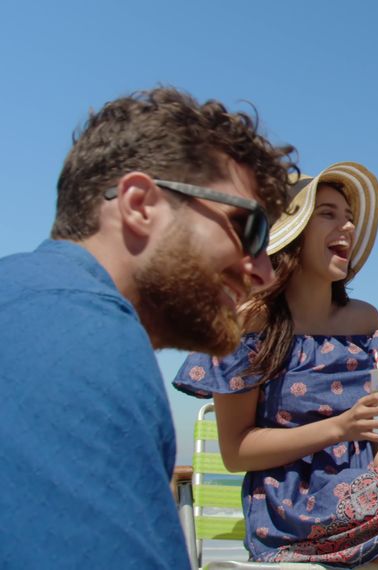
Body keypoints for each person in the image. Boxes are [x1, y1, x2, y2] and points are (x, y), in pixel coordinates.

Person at [0, 87, 294, 568]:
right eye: (250, 230)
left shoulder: (29, 301)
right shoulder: (81, 336)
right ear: (139, 205)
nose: (264, 270)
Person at [172, 161, 378, 569]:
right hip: (296, 513)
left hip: (366, 501)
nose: (347, 228)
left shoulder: (364, 322)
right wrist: (340, 427)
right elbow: (236, 451)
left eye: (349, 218)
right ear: (290, 234)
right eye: (328, 215)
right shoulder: (251, 322)